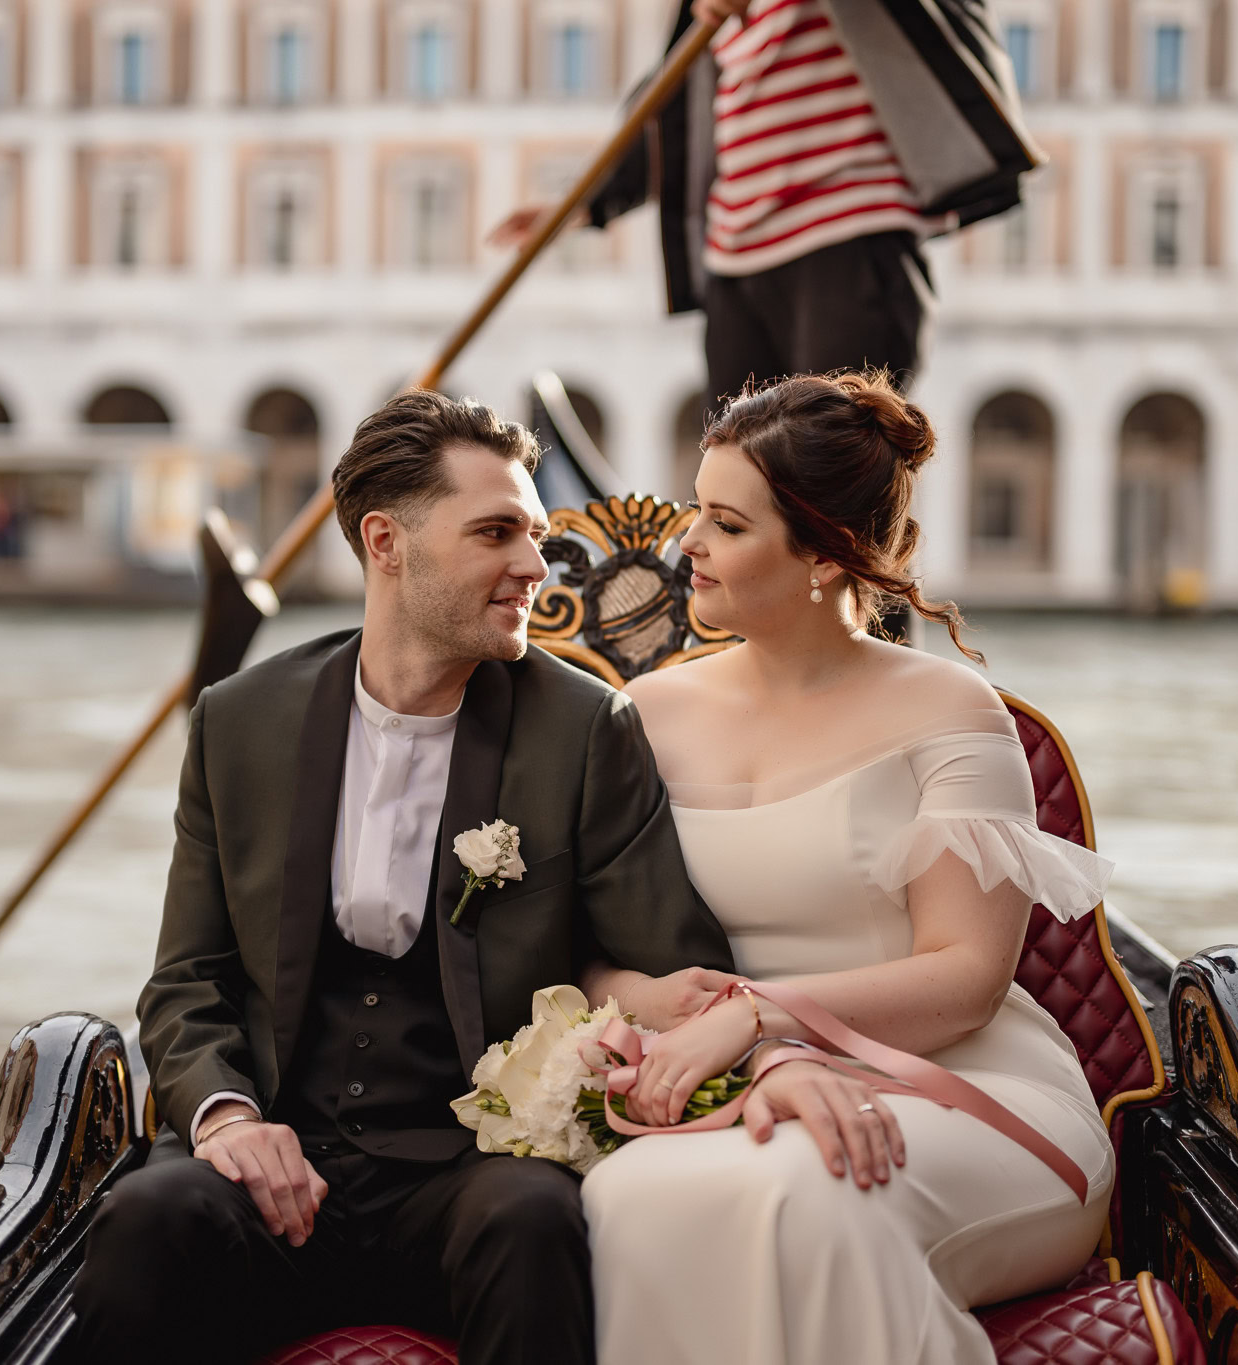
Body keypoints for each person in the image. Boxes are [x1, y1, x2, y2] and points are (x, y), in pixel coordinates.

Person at [69, 390, 737, 1363]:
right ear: (386, 542)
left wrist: (620, 1039)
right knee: (148, 1214)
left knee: (529, 1221)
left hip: (474, 1171)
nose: (531, 565)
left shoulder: (585, 729)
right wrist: (227, 1119)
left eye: (535, 533)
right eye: (495, 532)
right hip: (277, 1162)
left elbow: (669, 967)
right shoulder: (237, 720)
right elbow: (186, 981)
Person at [577, 369, 1116, 1364]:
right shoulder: (644, 716)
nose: (685, 546)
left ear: (823, 557)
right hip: (746, 1085)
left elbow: (963, 980)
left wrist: (753, 1011)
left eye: (726, 526)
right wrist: (647, 1008)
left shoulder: (949, 713)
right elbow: (586, 950)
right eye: (695, 510)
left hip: (967, 1086)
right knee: (627, 1193)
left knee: (808, 1194)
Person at [490, 0, 1040, 409]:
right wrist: (580, 203)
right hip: (736, 260)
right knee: (740, 481)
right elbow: (674, 115)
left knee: (836, 476)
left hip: (851, 231)